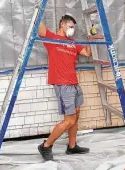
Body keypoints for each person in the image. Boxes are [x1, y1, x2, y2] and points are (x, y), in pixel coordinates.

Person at [37, 14, 91, 161]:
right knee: (69, 120)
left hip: (74, 83)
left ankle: (72, 146)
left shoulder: (73, 43)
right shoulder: (52, 39)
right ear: (62, 24)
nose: (72, 29)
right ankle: (46, 145)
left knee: (77, 113)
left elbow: (87, 53)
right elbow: (39, 27)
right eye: (70, 26)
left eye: (74, 27)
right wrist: (39, 3)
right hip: (63, 84)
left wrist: (89, 38)